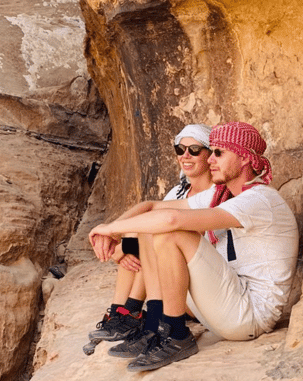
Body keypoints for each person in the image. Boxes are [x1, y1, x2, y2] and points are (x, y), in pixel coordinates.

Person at [88, 121, 299, 372]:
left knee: (171, 234)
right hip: (224, 304)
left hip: (249, 315)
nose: (211, 160)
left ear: (244, 158)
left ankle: (175, 334)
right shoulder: (221, 195)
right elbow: (153, 207)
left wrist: (110, 231)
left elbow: (172, 220)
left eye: (219, 153)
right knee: (150, 232)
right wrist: (114, 228)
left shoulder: (259, 199)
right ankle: (155, 324)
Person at [83, 124, 214, 356]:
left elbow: (180, 236)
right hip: (175, 284)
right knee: (141, 237)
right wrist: (116, 240)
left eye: (194, 149)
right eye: (180, 149)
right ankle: (119, 314)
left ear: (209, 153)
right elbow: (147, 211)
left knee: (149, 239)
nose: (185, 155)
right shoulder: (179, 194)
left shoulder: (216, 195)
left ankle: (134, 313)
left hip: (195, 281)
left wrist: (124, 245)